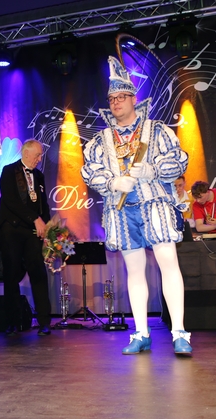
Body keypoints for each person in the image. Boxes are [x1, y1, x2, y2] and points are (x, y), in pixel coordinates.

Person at [81, 56, 192, 355]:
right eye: (112, 99)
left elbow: (178, 160)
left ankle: (180, 332)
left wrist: (153, 169)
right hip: (122, 211)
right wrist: (112, 182)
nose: (116, 102)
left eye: (122, 97)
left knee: (169, 264)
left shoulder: (157, 130)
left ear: (134, 99)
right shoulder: (101, 139)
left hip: (155, 206)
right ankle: (141, 332)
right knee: (134, 270)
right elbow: (90, 170)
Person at [0, 139, 52, 337]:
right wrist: (35, 219)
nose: (39, 159)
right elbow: (11, 201)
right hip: (12, 230)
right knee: (11, 275)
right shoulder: (9, 171)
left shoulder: (39, 175)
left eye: (40, 156)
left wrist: (47, 227)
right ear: (26, 153)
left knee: (38, 273)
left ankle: (44, 322)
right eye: (37, 155)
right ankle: (13, 322)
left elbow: (43, 204)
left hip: (33, 232)